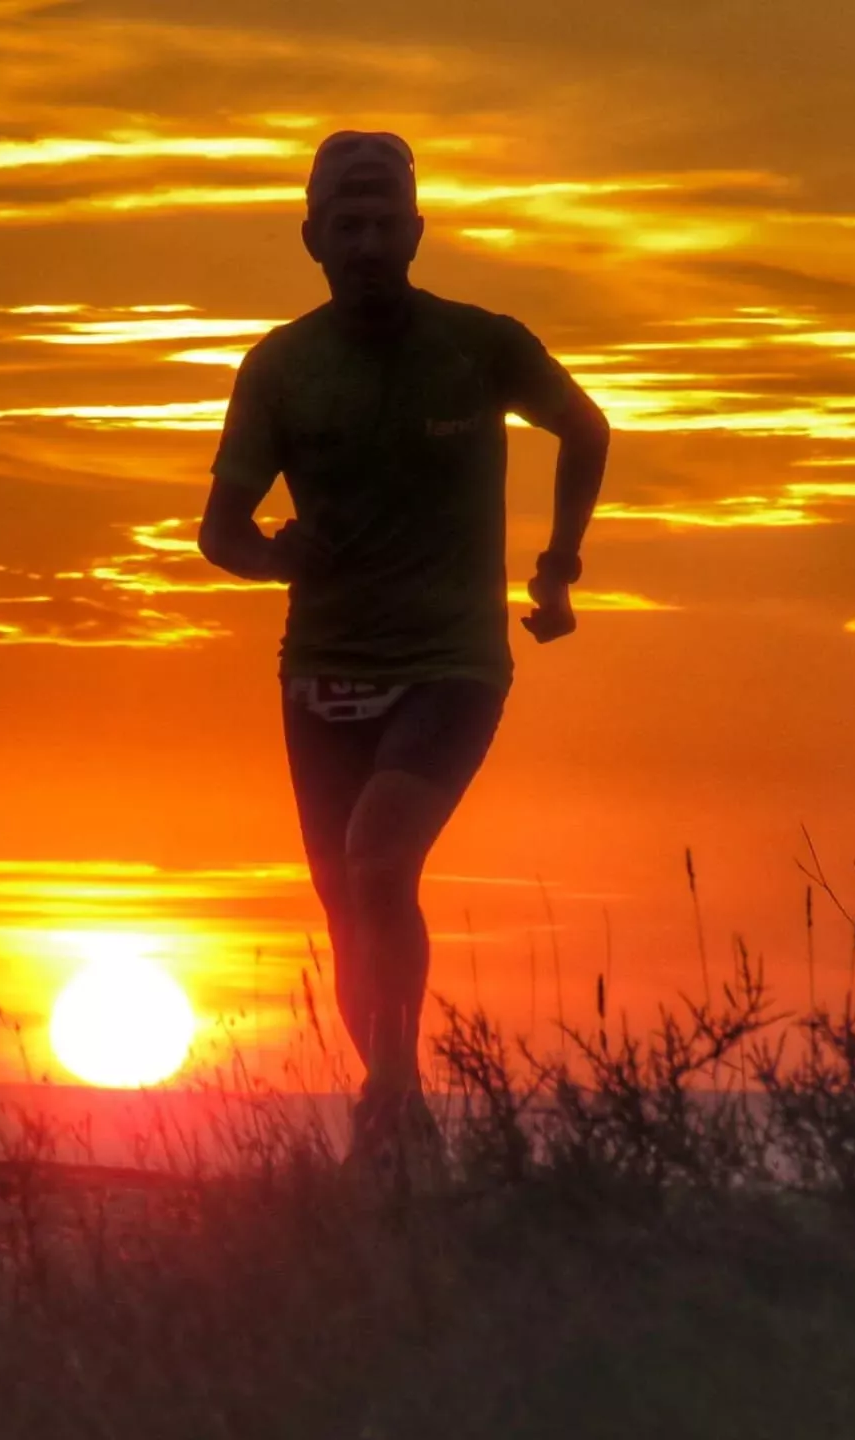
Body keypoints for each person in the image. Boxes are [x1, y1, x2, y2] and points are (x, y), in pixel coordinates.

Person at [198, 130, 610, 1175]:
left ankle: (390, 1093)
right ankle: (400, 1121)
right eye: (350, 225)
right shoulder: (281, 369)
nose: (371, 241)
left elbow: (587, 428)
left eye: (387, 223)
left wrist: (559, 564)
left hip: (451, 664)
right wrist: (276, 561)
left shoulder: (482, 346)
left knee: (381, 862)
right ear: (313, 240)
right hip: (322, 670)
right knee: (349, 905)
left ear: (418, 232)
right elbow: (221, 534)